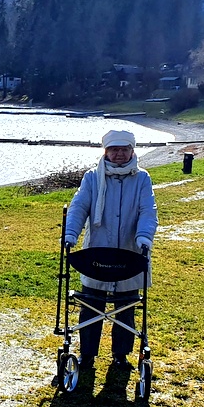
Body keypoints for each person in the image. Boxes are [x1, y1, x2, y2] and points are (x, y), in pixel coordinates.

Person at [63, 129, 158, 371]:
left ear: (132, 151)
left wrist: (144, 237)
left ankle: (121, 355)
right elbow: (79, 206)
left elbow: (148, 210)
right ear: (105, 151)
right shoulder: (92, 178)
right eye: (114, 149)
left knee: (125, 307)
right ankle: (87, 354)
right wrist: (70, 234)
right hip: (96, 254)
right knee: (91, 305)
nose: (118, 154)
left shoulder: (142, 178)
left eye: (123, 149)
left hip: (130, 254)